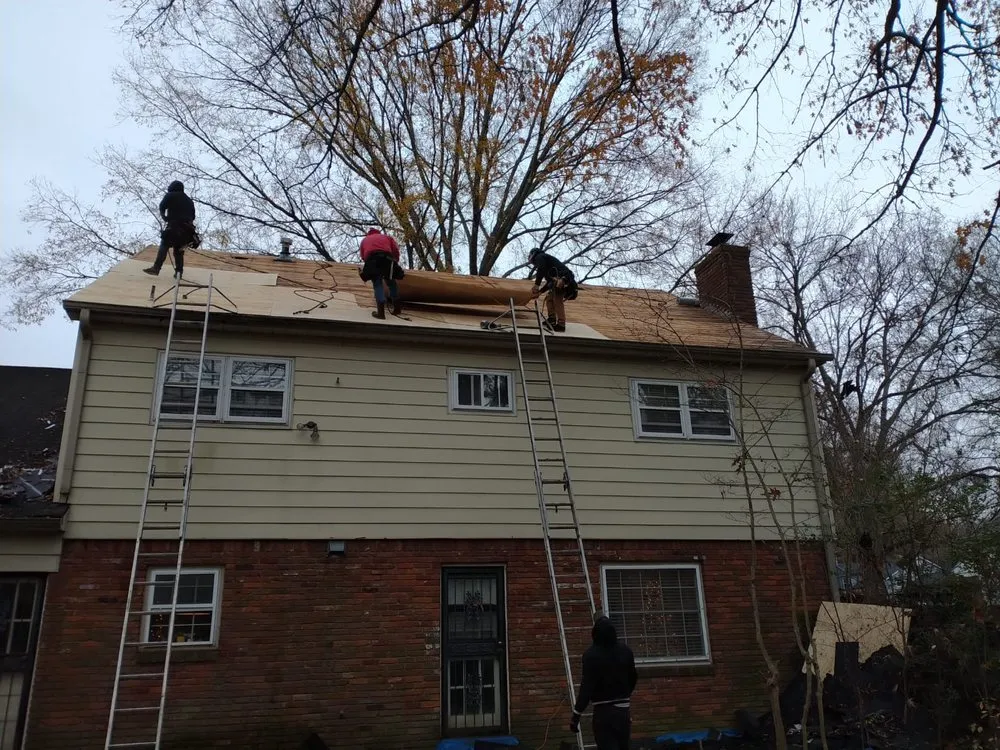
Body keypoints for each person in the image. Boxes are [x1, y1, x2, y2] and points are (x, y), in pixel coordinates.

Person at [569, 616, 638, 750]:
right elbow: (633, 677)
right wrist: (624, 694)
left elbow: (586, 688)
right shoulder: (626, 651)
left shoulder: (591, 656)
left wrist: (576, 715)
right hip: (623, 712)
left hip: (603, 713)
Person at [143, 181, 199, 278]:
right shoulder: (189, 200)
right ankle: (179, 273)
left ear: (173, 187)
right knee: (179, 251)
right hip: (187, 232)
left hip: (174, 228)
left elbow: (162, 206)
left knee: (164, 245)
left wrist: (164, 217)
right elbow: (193, 216)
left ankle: (156, 268)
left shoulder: (170, 195)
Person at [528, 247, 578, 332]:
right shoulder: (548, 265)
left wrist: (537, 285)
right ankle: (552, 319)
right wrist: (540, 292)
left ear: (533, 254)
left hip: (564, 278)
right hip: (560, 280)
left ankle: (561, 324)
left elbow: (541, 269)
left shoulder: (539, 256)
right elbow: (549, 282)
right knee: (549, 299)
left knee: (557, 300)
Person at [358, 227, 404, 319]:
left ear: (369, 234)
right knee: (391, 281)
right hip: (387, 259)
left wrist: (370, 268)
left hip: (372, 259)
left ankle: (381, 313)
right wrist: (395, 262)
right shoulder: (386, 237)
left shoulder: (365, 240)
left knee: (377, 283)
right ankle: (397, 308)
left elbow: (363, 256)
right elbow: (395, 250)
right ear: (378, 232)